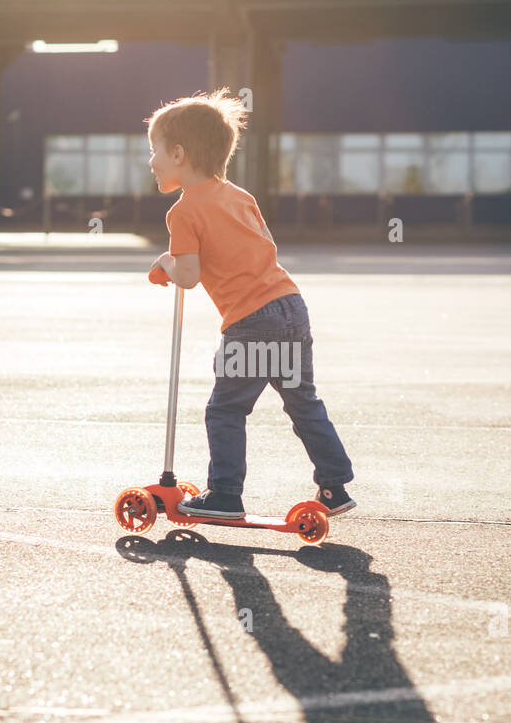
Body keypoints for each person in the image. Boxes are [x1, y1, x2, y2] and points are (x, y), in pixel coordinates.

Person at [144, 88, 355, 520]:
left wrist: (165, 262)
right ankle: (334, 484)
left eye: (155, 152)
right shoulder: (241, 196)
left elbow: (188, 276)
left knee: (226, 408)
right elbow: (260, 248)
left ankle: (224, 493)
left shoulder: (183, 212)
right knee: (302, 401)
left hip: (250, 322)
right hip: (290, 306)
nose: (151, 162)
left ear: (180, 154)